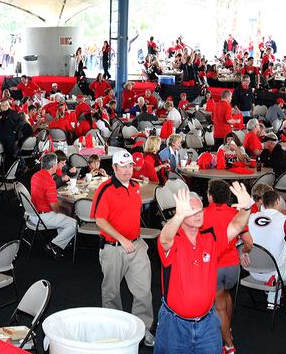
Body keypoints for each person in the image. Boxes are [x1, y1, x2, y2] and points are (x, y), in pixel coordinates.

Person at [155, 183, 252, 353]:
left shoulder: (210, 239)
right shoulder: (174, 240)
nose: (199, 215)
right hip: (174, 325)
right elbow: (164, 239)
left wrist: (246, 209)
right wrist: (178, 216)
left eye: (200, 210)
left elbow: (236, 227)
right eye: (192, 212)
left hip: (207, 323)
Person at [91, 150, 155, 347]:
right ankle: (114, 332)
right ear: (114, 167)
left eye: (130, 166)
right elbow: (100, 220)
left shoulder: (136, 187)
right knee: (111, 294)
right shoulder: (105, 188)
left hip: (136, 245)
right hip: (113, 249)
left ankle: (143, 330)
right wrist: (122, 238)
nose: (128, 170)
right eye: (123, 166)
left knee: (144, 292)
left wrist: (134, 240)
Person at [204, 180, 252, 354]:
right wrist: (244, 253)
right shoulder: (235, 213)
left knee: (219, 306)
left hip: (214, 266)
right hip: (232, 266)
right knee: (226, 295)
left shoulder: (202, 214)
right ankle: (227, 328)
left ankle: (229, 345)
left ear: (210, 196)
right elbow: (248, 242)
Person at [29, 153, 77, 259]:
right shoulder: (49, 181)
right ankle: (53, 245)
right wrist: (63, 212)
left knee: (65, 215)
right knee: (74, 223)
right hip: (42, 216)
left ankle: (62, 241)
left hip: (32, 213)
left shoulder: (35, 175)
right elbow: (54, 207)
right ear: (53, 166)